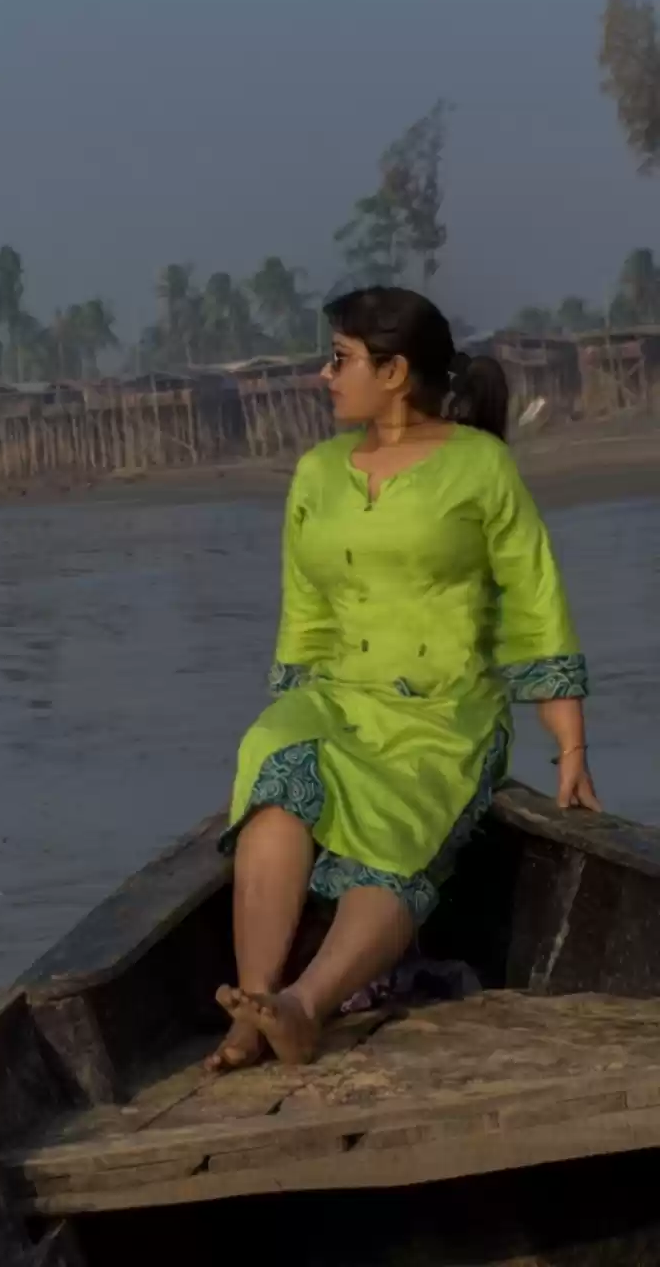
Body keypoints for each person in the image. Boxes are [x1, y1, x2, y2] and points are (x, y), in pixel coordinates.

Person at [208, 286, 599, 1072]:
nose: (324, 375)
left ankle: (305, 1007)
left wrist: (570, 747)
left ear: (393, 372)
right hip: (335, 701)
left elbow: (534, 602)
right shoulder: (318, 474)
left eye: (340, 360)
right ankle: (253, 1008)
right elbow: (305, 609)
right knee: (275, 773)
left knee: (391, 845)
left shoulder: (479, 466)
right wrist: (301, 717)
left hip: (446, 714)